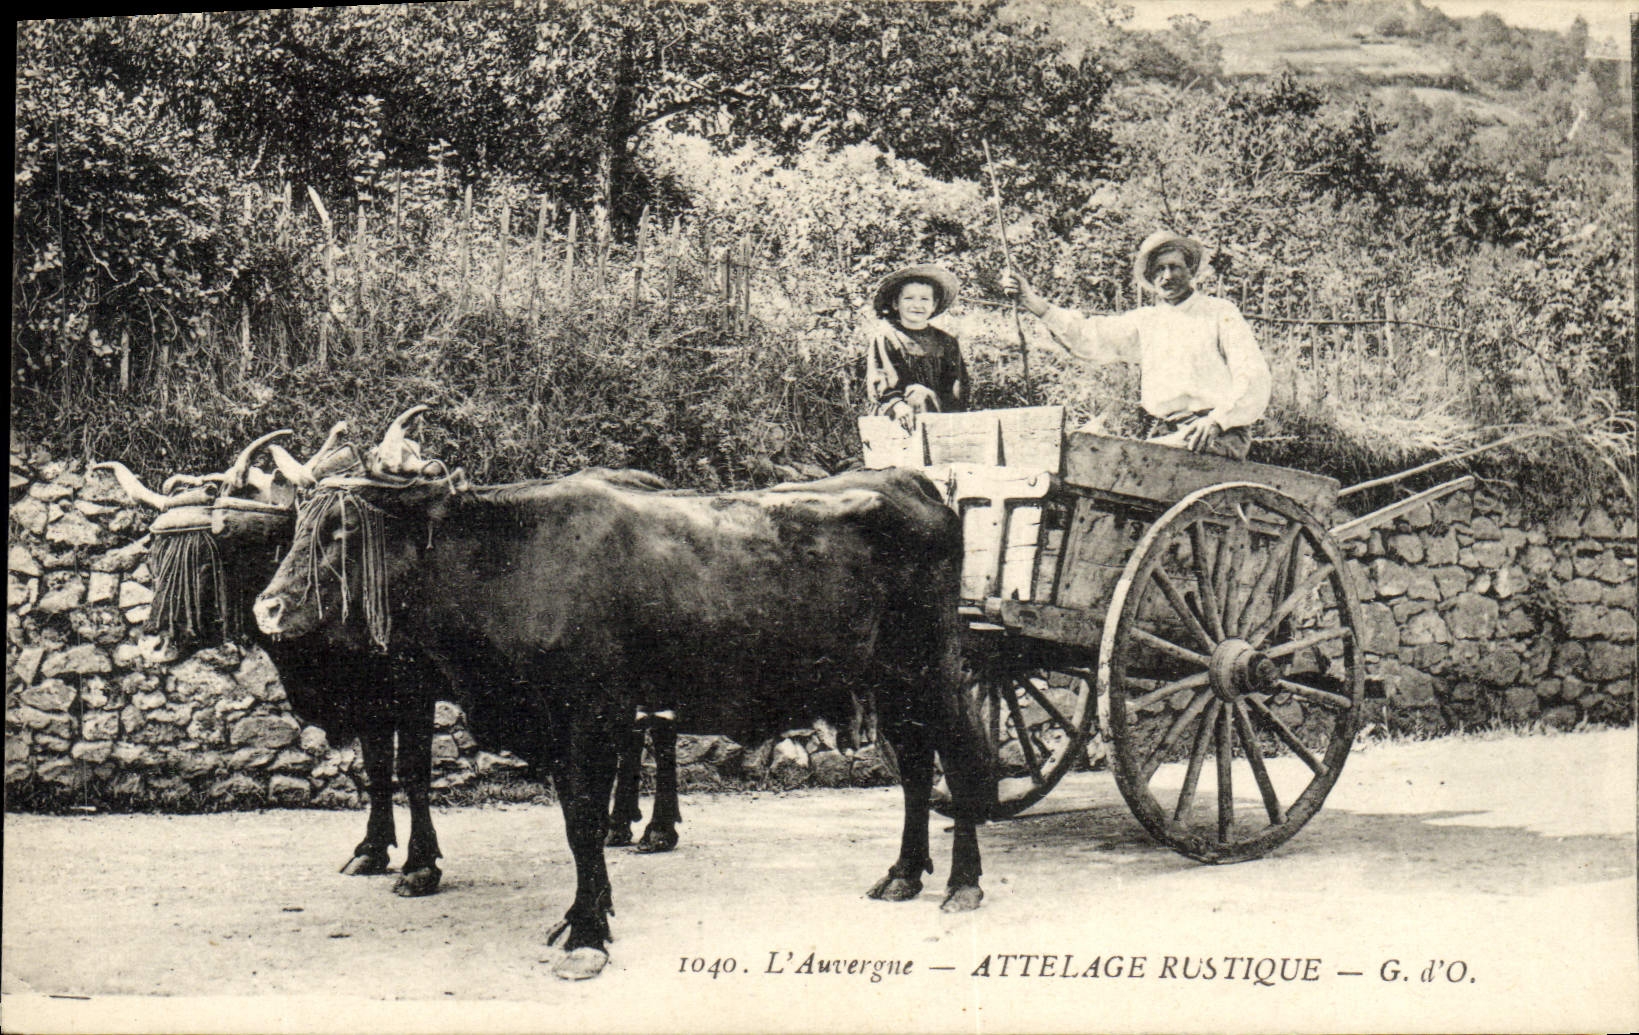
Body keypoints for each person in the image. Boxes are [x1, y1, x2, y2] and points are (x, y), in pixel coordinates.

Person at [1000, 231, 1271, 461]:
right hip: (1168, 433)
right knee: (1093, 452)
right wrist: (1033, 303)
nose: (1167, 276)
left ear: (1191, 270)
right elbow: (1090, 336)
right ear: (1150, 277)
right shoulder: (1147, 321)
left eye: (1175, 266)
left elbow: (1253, 376)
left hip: (1217, 434)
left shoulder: (1219, 312)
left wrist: (1217, 420)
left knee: (1127, 461)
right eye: (1159, 269)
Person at [863, 264, 968, 431]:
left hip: (938, 413)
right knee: (919, 394)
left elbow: (957, 385)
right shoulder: (887, 337)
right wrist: (897, 404)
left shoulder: (946, 341)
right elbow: (881, 380)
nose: (917, 305)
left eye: (925, 299)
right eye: (909, 298)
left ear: (934, 305)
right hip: (898, 412)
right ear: (896, 304)